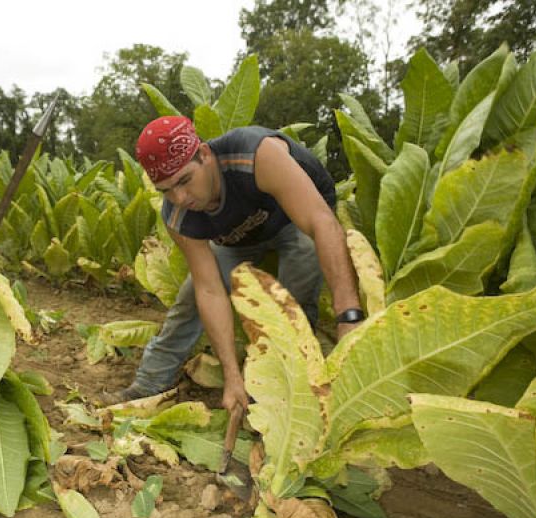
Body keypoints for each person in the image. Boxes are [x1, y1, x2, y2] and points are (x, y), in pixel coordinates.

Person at [101, 116, 363, 413]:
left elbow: (321, 223)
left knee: (292, 301)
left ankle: (283, 390)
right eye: (166, 190)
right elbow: (209, 290)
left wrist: (349, 317)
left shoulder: (255, 155)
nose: (180, 197)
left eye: (185, 180)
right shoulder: (178, 214)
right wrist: (231, 376)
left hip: (296, 218)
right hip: (240, 238)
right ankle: (149, 383)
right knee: (190, 299)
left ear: (204, 154)